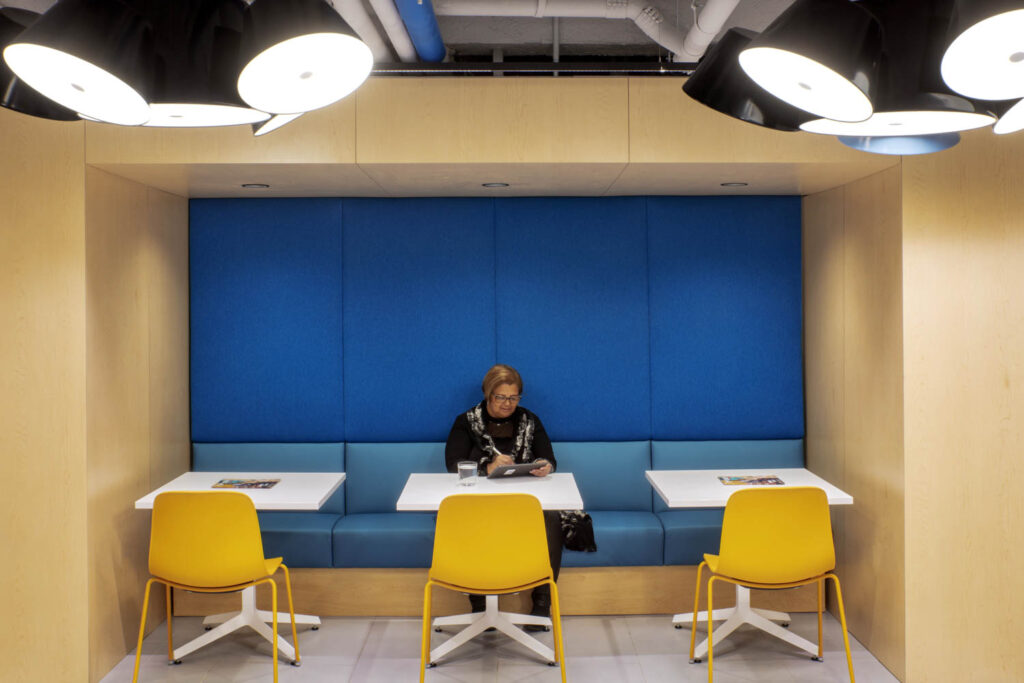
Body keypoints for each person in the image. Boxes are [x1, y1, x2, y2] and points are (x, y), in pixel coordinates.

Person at [444, 363, 563, 631]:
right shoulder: (466, 422)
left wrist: (546, 465)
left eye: (513, 397)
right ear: (488, 395)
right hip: (479, 502)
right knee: (470, 520)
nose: (507, 404)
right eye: (501, 397)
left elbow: (550, 458)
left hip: (523, 503)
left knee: (552, 519)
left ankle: (542, 605)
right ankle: (479, 606)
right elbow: (453, 463)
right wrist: (487, 466)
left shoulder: (530, 420)